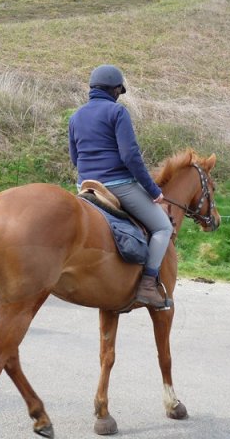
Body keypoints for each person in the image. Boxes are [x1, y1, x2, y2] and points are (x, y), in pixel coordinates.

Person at [68, 64, 174, 309]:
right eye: (119, 91)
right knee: (163, 227)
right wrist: (153, 191)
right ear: (116, 89)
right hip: (118, 185)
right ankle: (147, 284)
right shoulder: (117, 112)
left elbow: (74, 158)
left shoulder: (76, 116)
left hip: (86, 185)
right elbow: (130, 156)